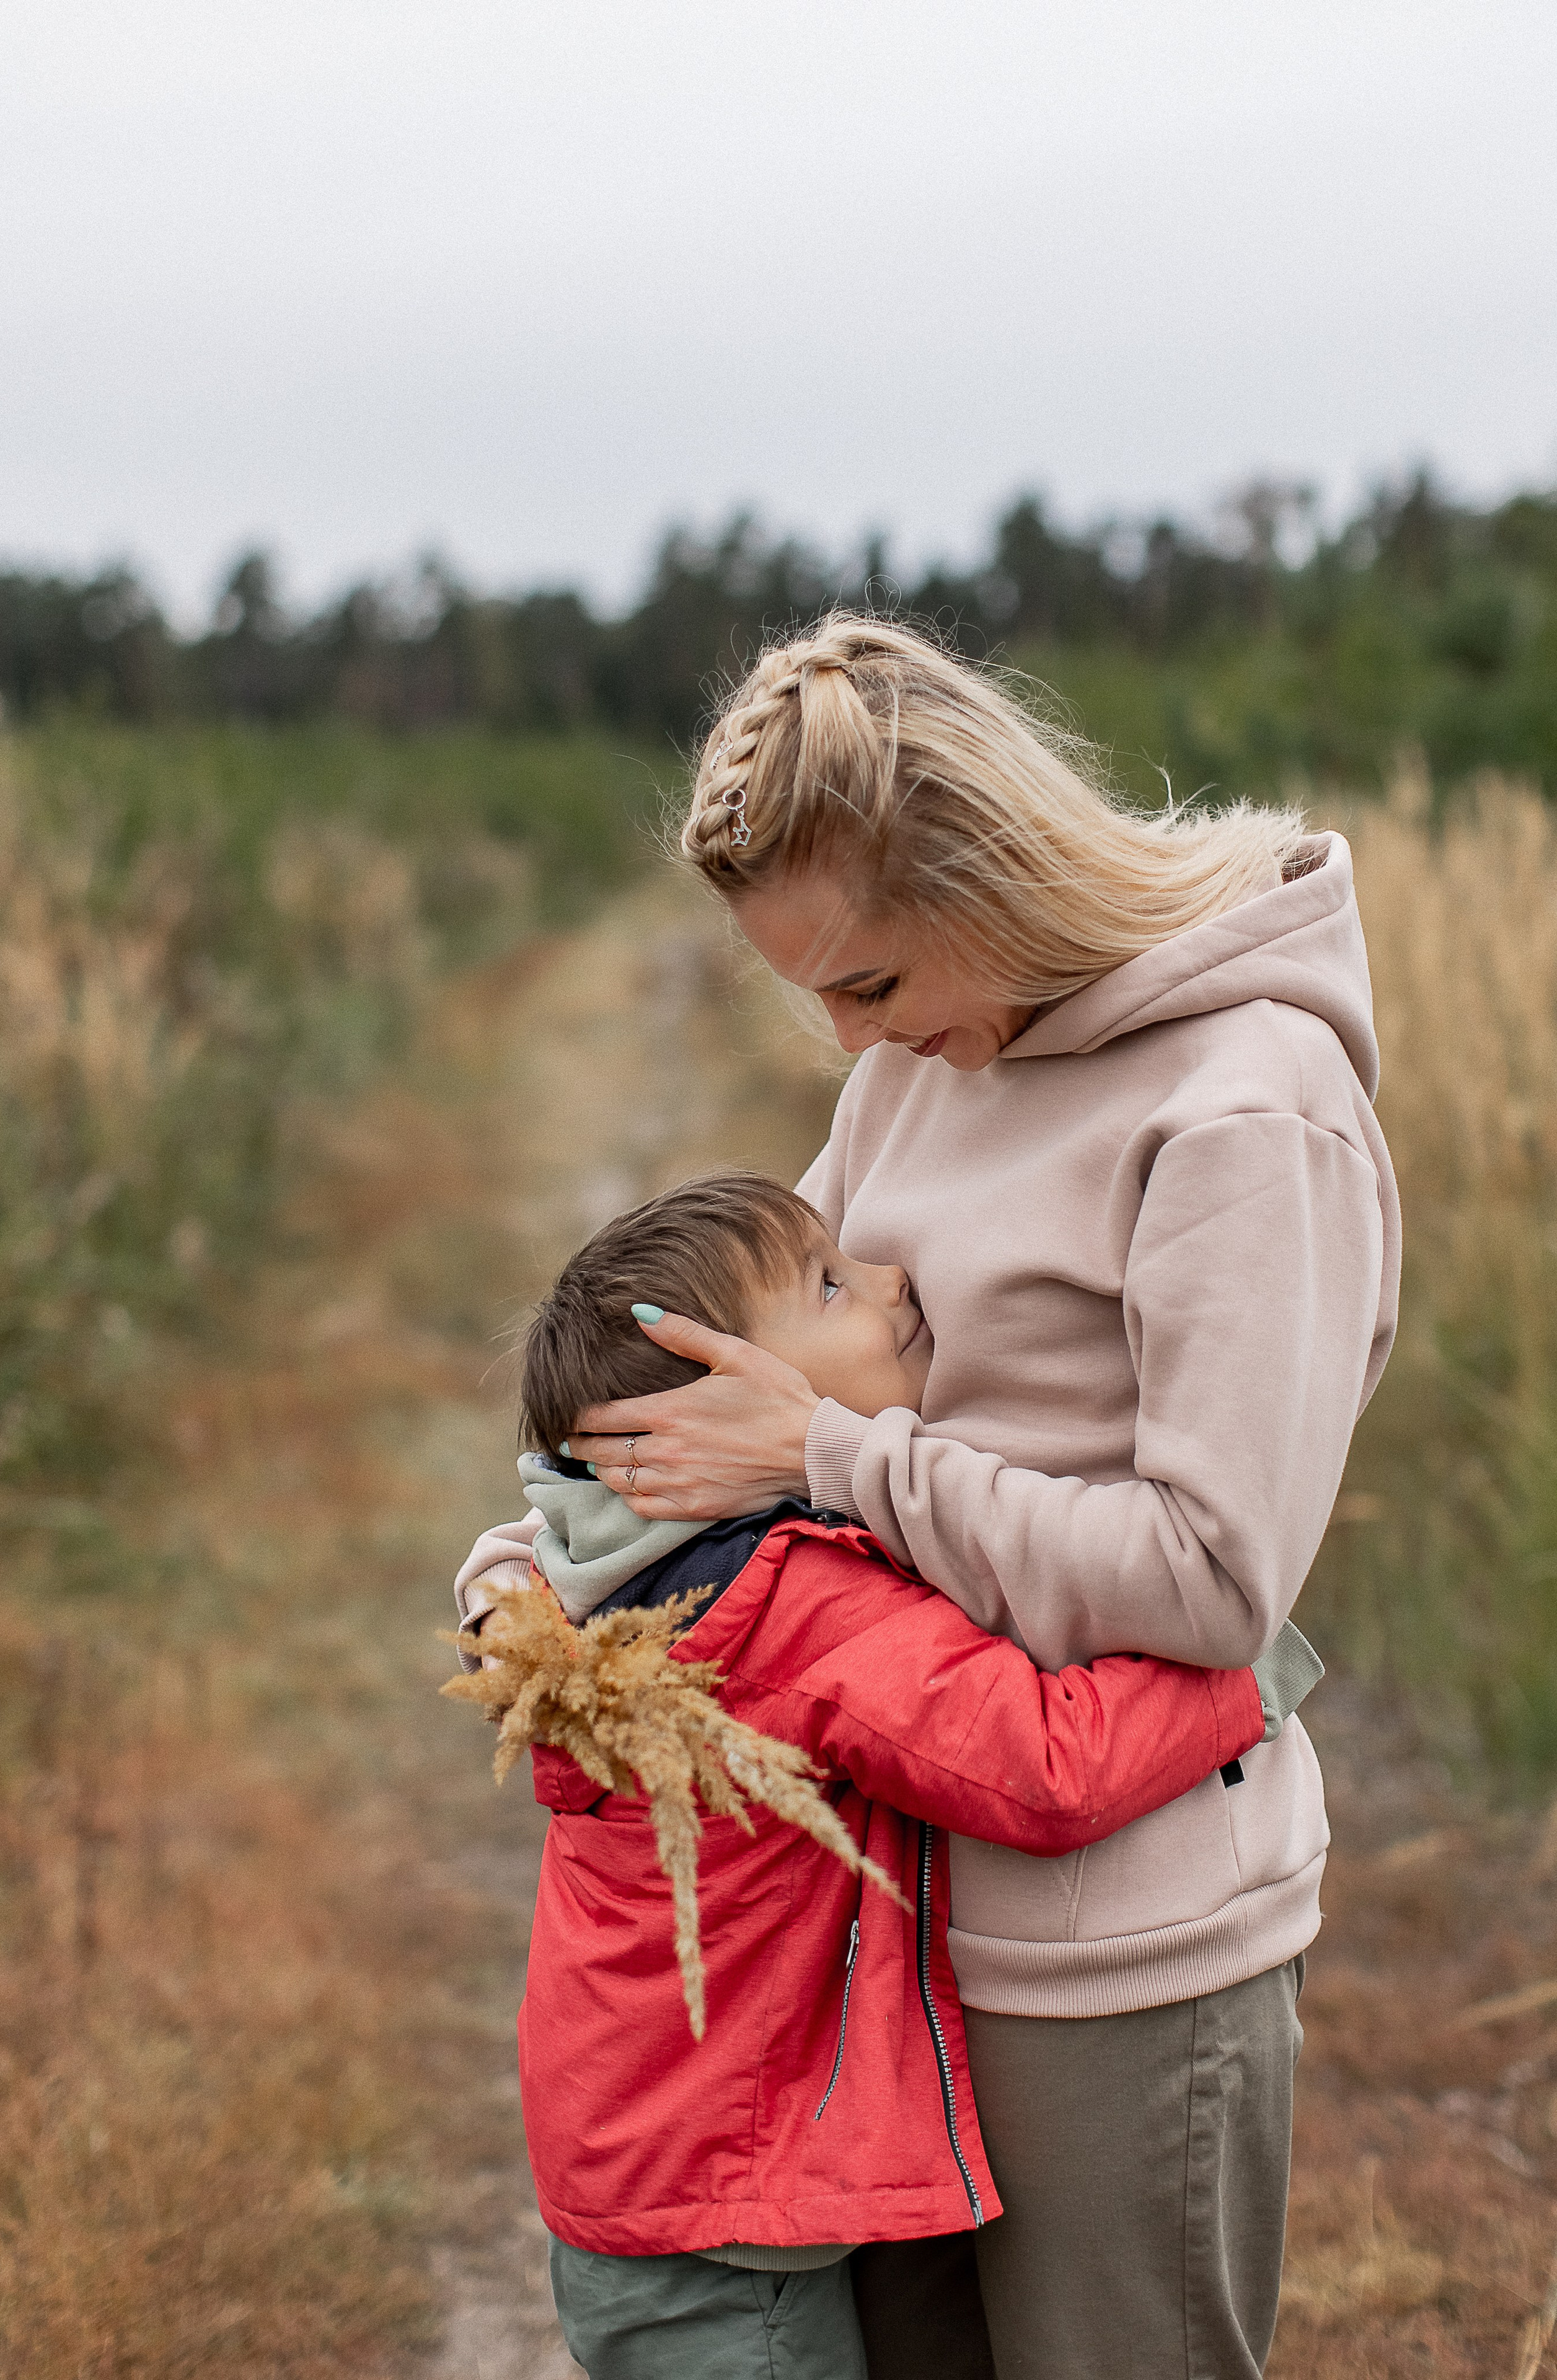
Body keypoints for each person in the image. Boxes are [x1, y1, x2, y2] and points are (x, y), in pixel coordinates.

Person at [498, 617, 1402, 2380]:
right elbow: (725, 1391)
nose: (850, 1042)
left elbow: (1217, 1583)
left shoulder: (1248, 1107)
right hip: (880, 1966)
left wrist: (841, 1467)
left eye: (874, 983)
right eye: (817, 999)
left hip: (1122, 1963)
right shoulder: (919, 1070)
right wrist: (539, 1572)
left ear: (993, 877)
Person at [454, 1171, 1296, 2380]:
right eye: (832, 1285)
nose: (896, 1280)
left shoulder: (590, 1575)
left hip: (639, 2174)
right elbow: (1044, 1770)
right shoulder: (794, 1606)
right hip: (720, 2239)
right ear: (720, 1404)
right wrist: (1236, 1677)